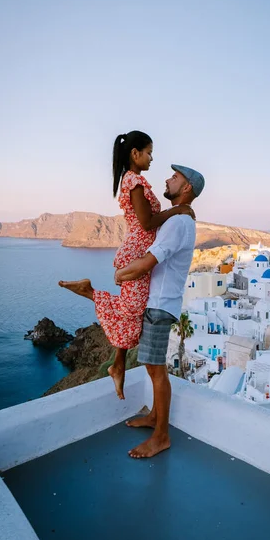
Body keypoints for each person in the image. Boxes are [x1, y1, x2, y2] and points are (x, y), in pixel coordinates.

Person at [58, 131, 194, 399]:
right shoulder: (134, 183)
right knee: (132, 312)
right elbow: (146, 223)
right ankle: (90, 293)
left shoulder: (134, 180)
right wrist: (176, 210)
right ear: (135, 154)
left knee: (132, 313)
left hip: (137, 249)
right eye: (149, 152)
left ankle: (117, 365)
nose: (152, 158)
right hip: (137, 252)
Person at [116, 165, 205, 459]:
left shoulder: (179, 223)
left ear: (186, 187)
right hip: (159, 302)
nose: (168, 179)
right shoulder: (177, 219)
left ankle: (161, 436)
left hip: (160, 303)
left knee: (156, 370)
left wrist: (120, 275)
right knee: (154, 368)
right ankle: (155, 417)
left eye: (175, 178)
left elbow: (147, 263)